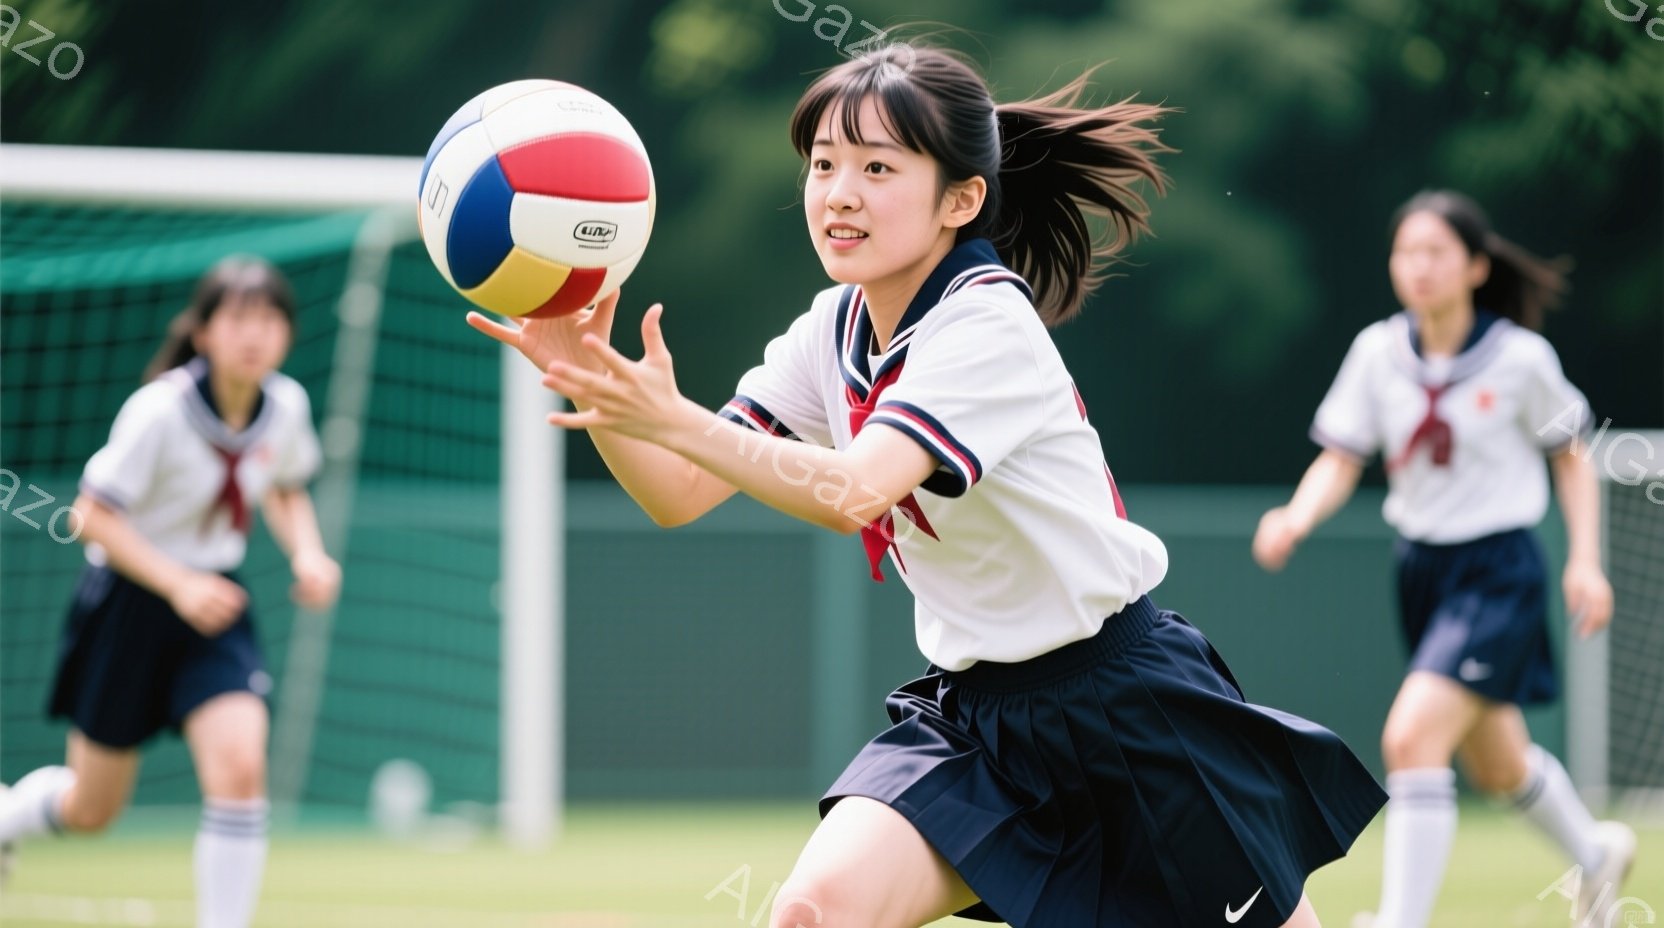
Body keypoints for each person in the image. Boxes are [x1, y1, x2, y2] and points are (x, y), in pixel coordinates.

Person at [471, 44, 1385, 928]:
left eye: (877, 167)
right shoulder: (831, 328)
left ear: (962, 198)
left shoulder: (986, 323)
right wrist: (587, 373)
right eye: (824, 163)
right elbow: (676, 492)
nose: (837, 192)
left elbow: (855, 492)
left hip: (1129, 711)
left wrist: (675, 417)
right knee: (812, 914)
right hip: (979, 724)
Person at [1252, 189, 1636, 928]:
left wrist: (1585, 560)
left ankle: (1401, 921)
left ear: (1476, 266)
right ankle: (1596, 856)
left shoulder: (1522, 359)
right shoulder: (1377, 353)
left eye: (1436, 252)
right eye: (1406, 252)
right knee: (1499, 767)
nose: (1419, 267)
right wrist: (1295, 517)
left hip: (1500, 572)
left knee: (1411, 736)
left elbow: (1572, 458)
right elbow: (1340, 457)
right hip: (1423, 572)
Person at [0, 255, 340, 928]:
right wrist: (178, 582)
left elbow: (287, 489)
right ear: (204, 331)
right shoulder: (158, 411)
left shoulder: (287, 407)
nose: (255, 334)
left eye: (271, 319)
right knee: (91, 811)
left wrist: (309, 553)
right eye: (238, 317)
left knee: (242, 765)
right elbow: (90, 516)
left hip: (217, 608)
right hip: (128, 604)